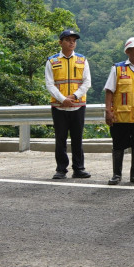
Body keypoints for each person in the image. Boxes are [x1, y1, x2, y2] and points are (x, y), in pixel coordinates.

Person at [45, 29, 91, 180]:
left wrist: (74, 96)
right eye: (68, 40)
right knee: (61, 138)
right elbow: (49, 84)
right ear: (60, 42)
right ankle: (61, 169)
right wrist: (62, 99)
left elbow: (87, 82)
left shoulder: (82, 60)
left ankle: (79, 168)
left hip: (78, 105)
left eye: (74, 40)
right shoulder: (52, 61)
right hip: (59, 107)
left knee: (77, 138)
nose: (72, 43)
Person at [103, 37, 134, 185]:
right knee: (118, 145)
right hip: (120, 116)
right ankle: (116, 174)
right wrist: (108, 111)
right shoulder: (118, 68)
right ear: (128, 52)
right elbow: (109, 91)